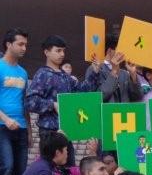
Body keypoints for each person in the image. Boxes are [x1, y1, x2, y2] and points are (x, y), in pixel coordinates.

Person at [25, 35, 101, 166]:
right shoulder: (42, 74)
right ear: (47, 52)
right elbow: (30, 102)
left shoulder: (65, 76)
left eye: (63, 51)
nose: (62, 54)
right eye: (58, 50)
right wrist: (52, 104)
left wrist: (94, 71)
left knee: (69, 169)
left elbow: (83, 90)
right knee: (50, 171)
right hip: (50, 132)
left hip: (66, 131)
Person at [0, 29, 29, 175]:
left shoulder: (23, 72)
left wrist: (31, 131)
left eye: (25, 44)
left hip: (22, 127)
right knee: (7, 167)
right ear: (8, 44)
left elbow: (24, 102)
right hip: (2, 126)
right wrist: (6, 119)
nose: (24, 48)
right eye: (20, 44)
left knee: (20, 171)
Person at [93, 34, 142, 103]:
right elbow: (99, 97)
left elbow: (138, 97)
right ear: (109, 51)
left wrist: (133, 75)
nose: (123, 53)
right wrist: (114, 71)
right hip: (107, 113)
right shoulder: (96, 68)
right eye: (120, 49)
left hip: (124, 113)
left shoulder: (125, 73)